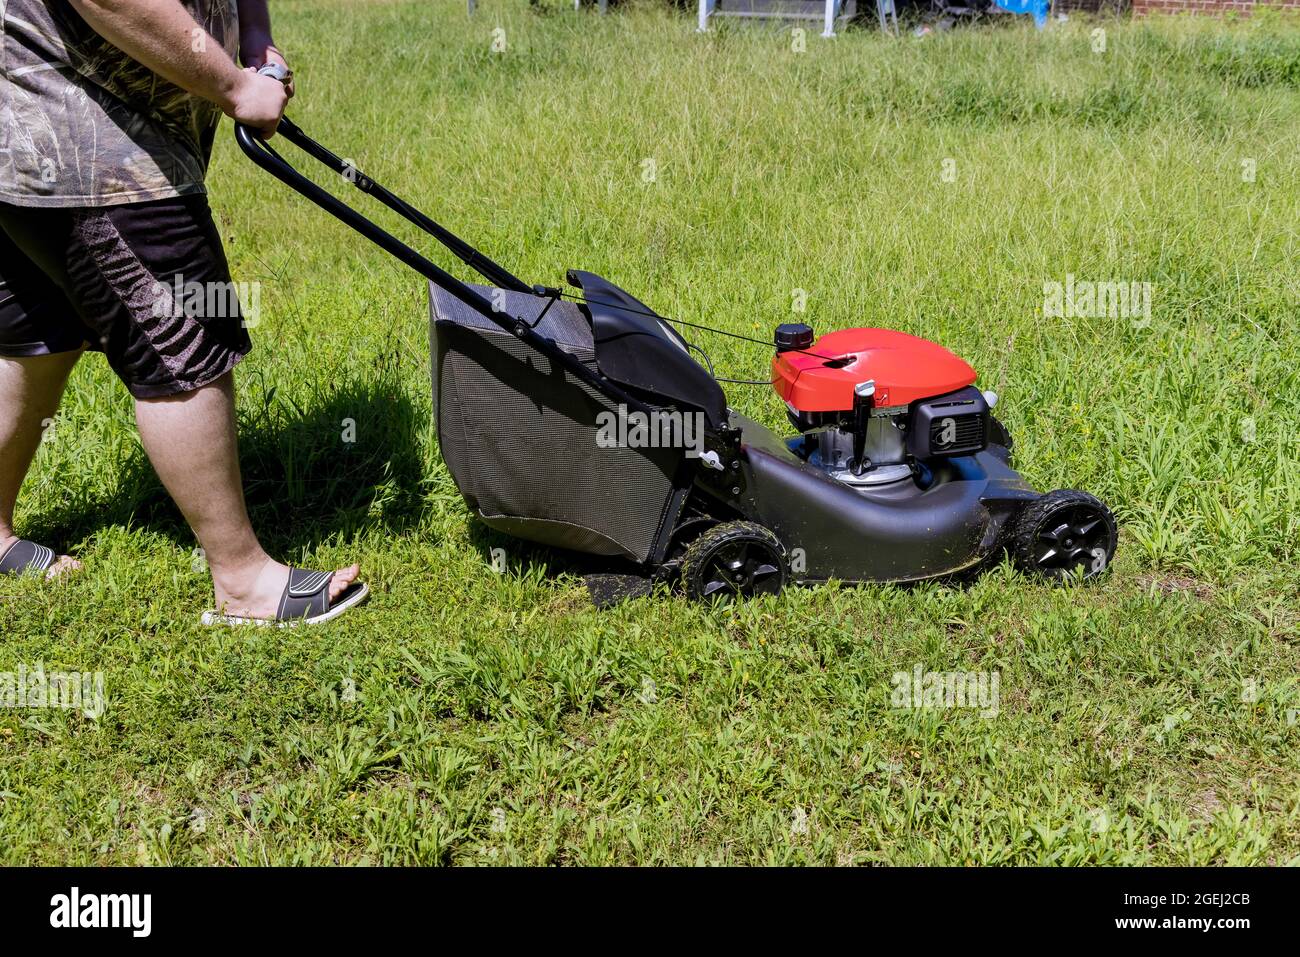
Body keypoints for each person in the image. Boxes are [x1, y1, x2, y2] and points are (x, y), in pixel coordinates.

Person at [0, 0, 367, 625]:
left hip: (46, 145)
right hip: (84, 151)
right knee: (184, 342)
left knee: (39, 334)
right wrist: (231, 84)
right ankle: (242, 582)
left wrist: (256, 38)